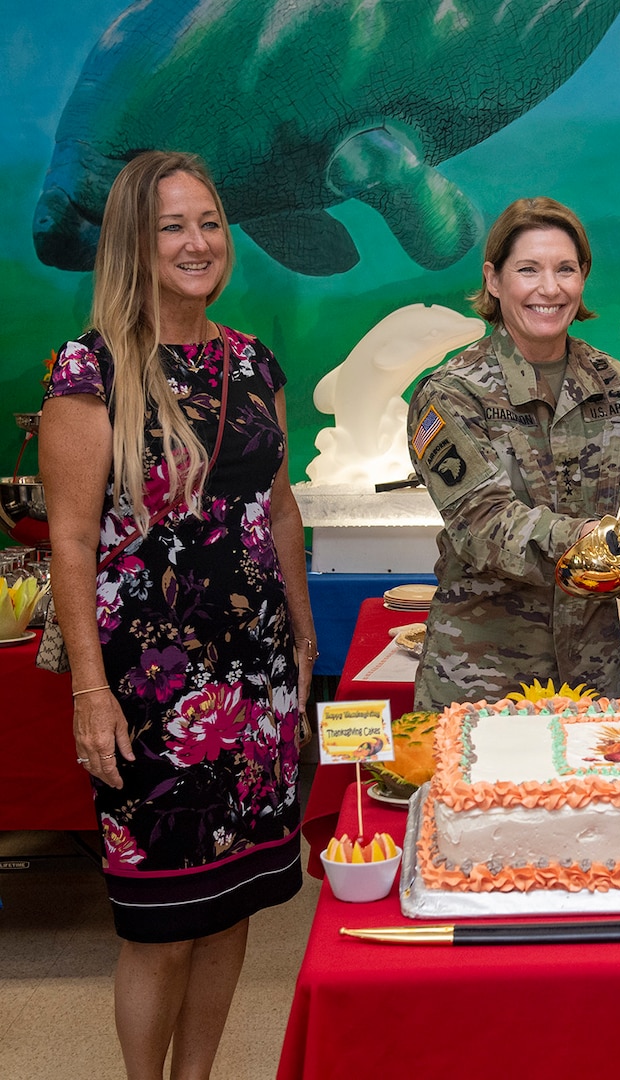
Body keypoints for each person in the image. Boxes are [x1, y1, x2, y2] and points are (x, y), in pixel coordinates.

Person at [40, 150, 313, 1080]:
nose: (198, 243)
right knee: (161, 922)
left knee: (232, 903)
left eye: (209, 222)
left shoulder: (252, 358)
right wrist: (88, 691)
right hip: (150, 694)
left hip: (258, 679)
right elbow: (71, 541)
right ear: (133, 242)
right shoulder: (89, 371)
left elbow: (277, 511)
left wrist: (304, 640)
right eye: (172, 227)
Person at [407, 197, 620, 707]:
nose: (549, 287)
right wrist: (584, 539)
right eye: (528, 269)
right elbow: (481, 524)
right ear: (494, 280)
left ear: (583, 277)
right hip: (482, 679)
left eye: (565, 268)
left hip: (591, 677)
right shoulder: (450, 394)